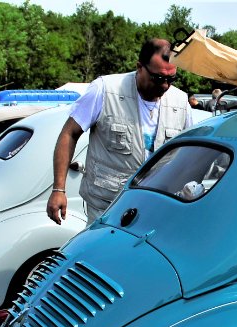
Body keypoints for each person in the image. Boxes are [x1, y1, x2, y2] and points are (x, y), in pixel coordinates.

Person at [47, 38, 193, 225]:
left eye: (171, 79)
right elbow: (69, 133)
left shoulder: (180, 103)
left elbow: (190, 153)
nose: (165, 85)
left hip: (155, 211)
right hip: (106, 210)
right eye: (158, 78)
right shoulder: (105, 90)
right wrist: (59, 189)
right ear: (140, 67)